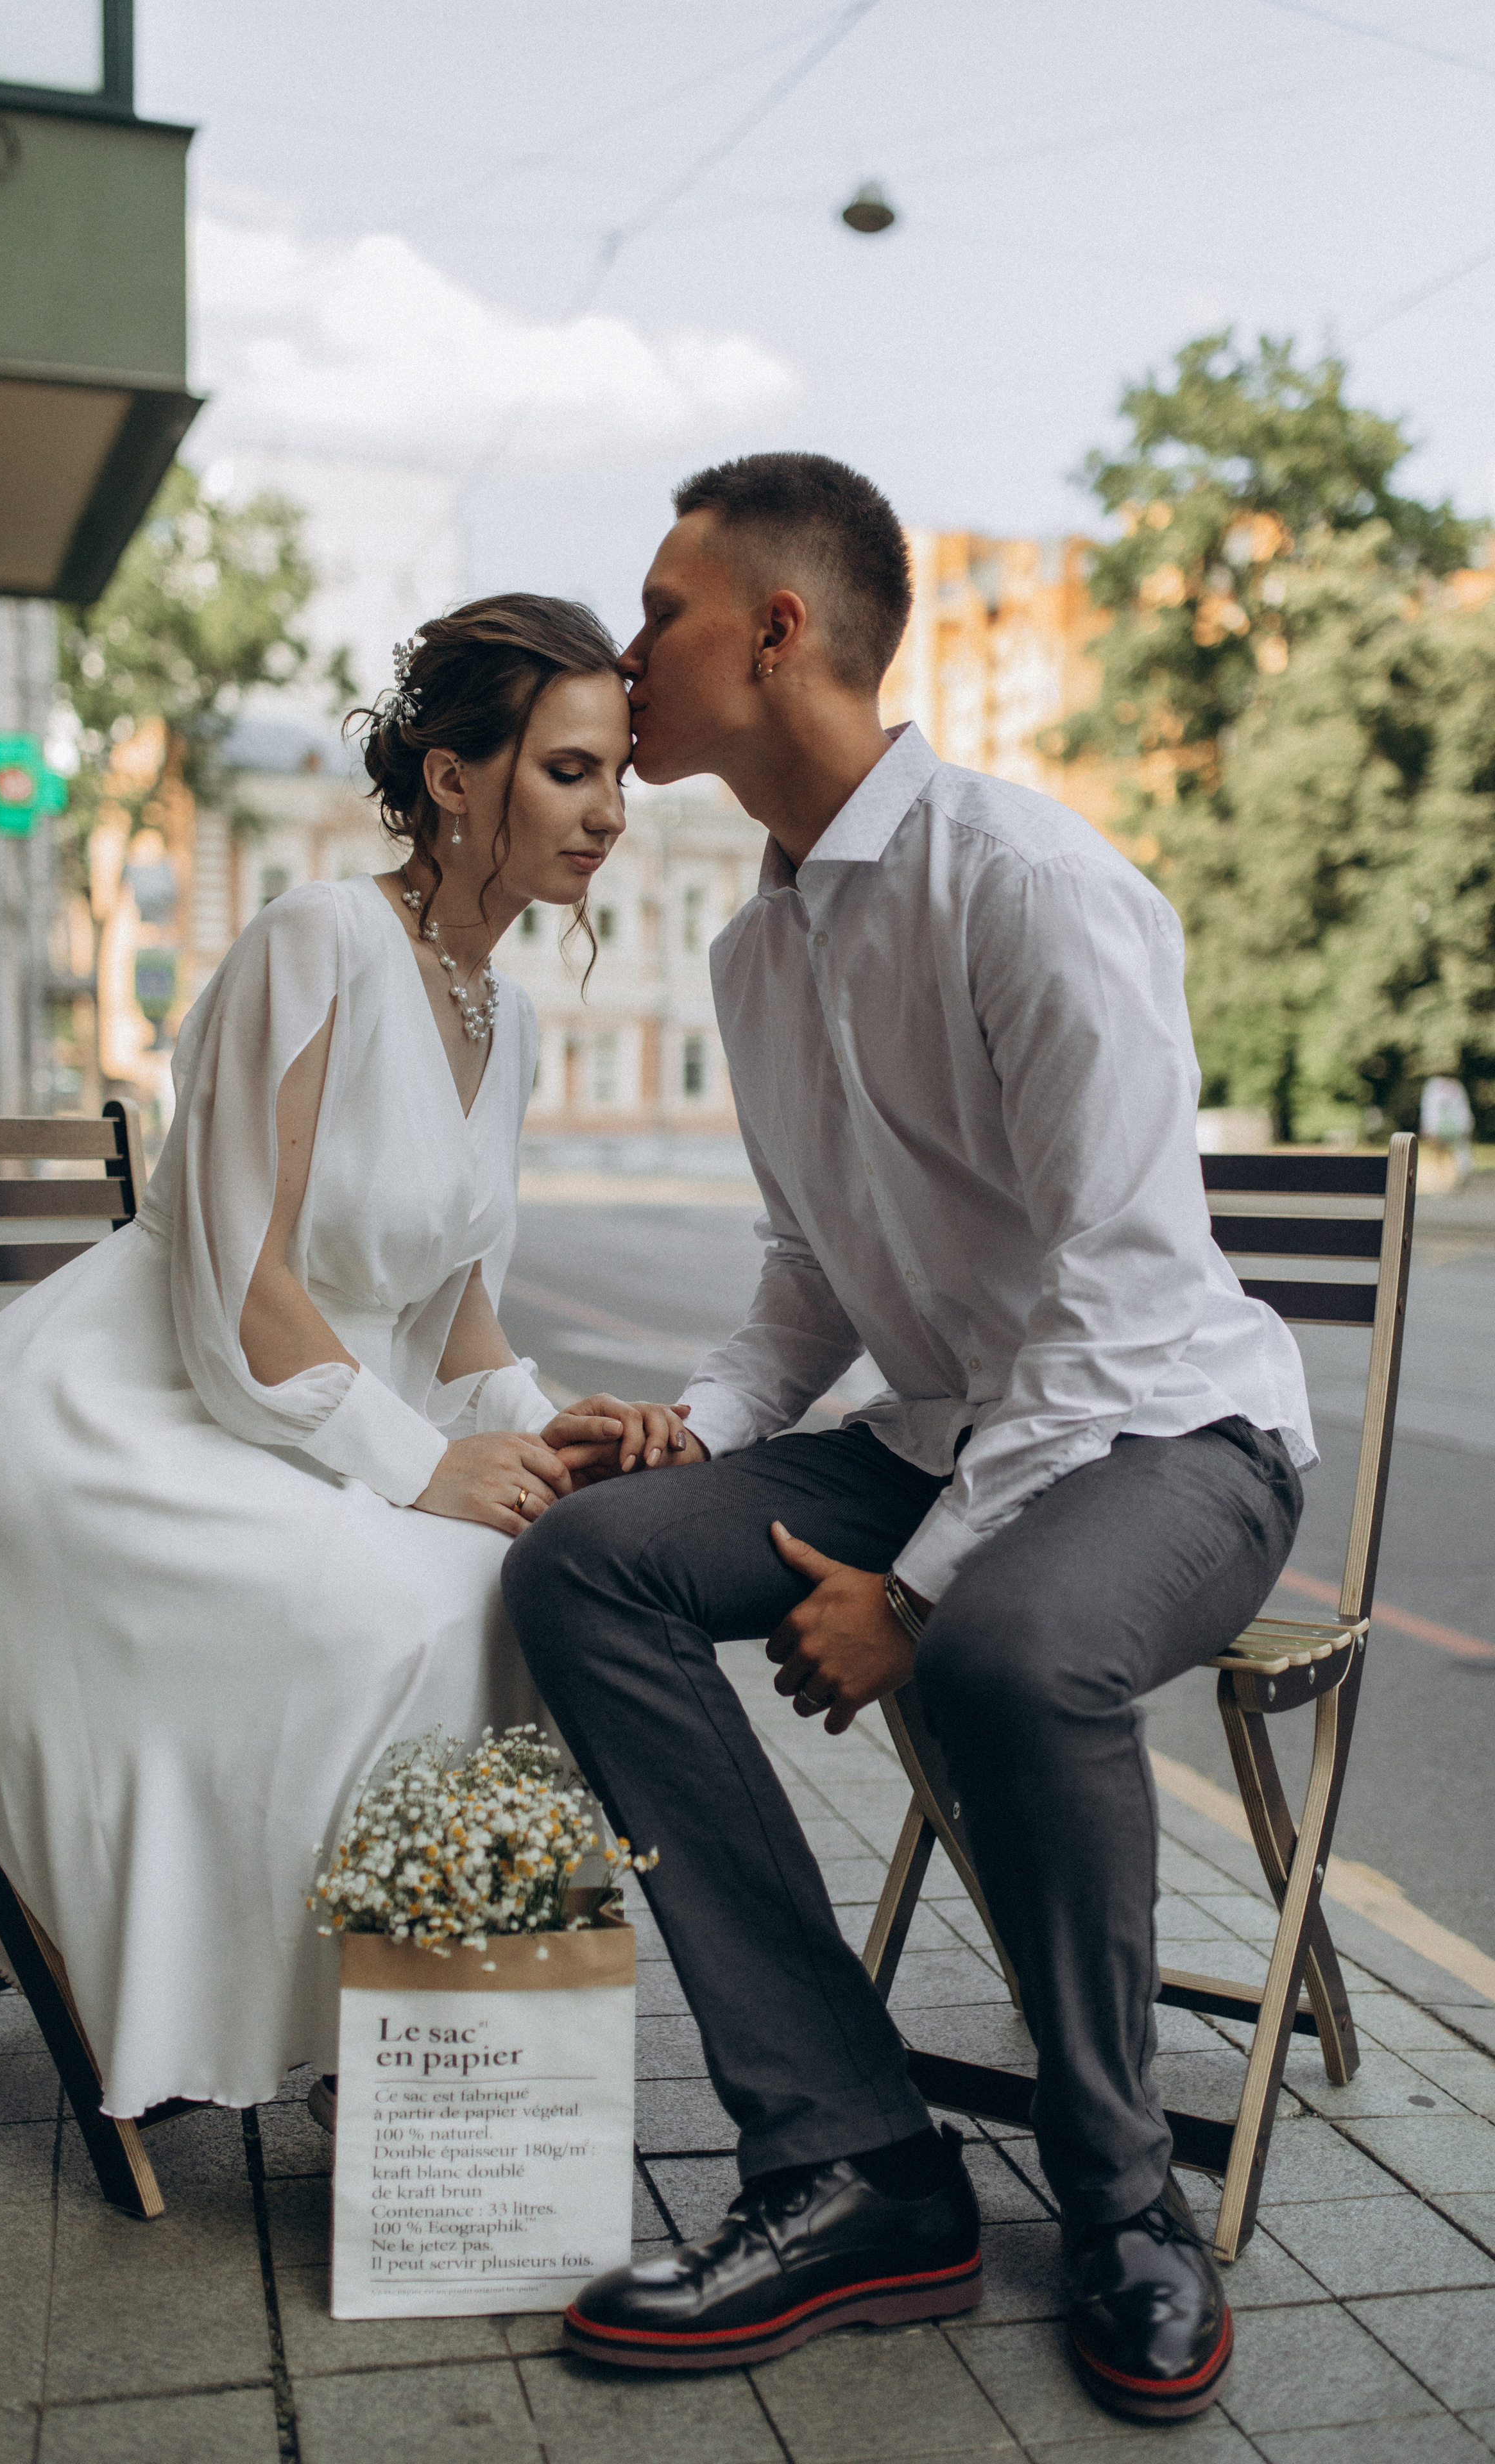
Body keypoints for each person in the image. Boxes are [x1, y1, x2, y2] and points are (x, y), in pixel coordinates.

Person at [502, 458, 1313, 2421]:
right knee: (587, 1564)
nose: (629, 650)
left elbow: (1117, 1312)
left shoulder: (1027, 888)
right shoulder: (753, 954)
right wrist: (693, 1434)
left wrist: (919, 1596)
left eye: (663, 607)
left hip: (1173, 1439)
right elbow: (814, 1279)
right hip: (951, 1434)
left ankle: (1127, 2203)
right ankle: (857, 2159)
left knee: (1022, 1649)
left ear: (777, 636)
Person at [0, 594, 679, 2121]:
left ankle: (427, 2056)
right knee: (417, 1593)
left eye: (618, 778)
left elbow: (452, 1319)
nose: (609, 814)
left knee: (522, 1571)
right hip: (119, 1410)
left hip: (298, 1411)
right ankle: (345, 2032)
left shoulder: (504, 1018)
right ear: (454, 777)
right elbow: (241, 1280)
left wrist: (550, 1424)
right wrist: (420, 1468)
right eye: (571, 771)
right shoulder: (315, 940)